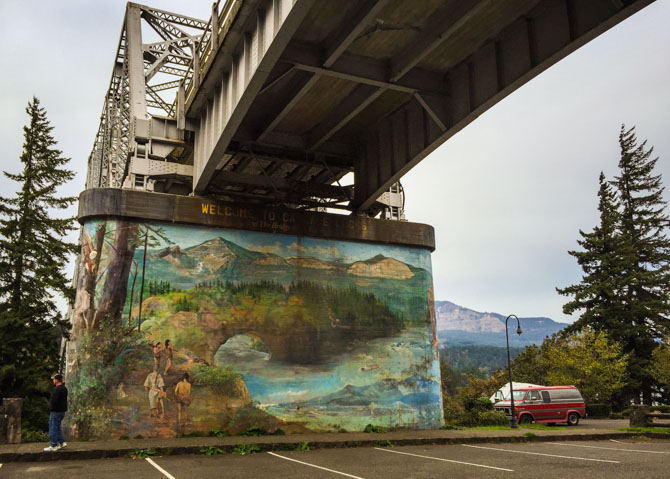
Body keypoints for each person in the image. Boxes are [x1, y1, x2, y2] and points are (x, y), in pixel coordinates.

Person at [44, 374, 67, 452]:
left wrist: (51, 408)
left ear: (57, 380)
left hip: (56, 411)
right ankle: (62, 442)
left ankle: (53, 445)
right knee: (57, 427)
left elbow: (54, 401)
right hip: (62, 411)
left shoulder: (56, 389)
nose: (53, 380)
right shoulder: (64, 389)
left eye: (54, 379)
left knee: (52, 428)